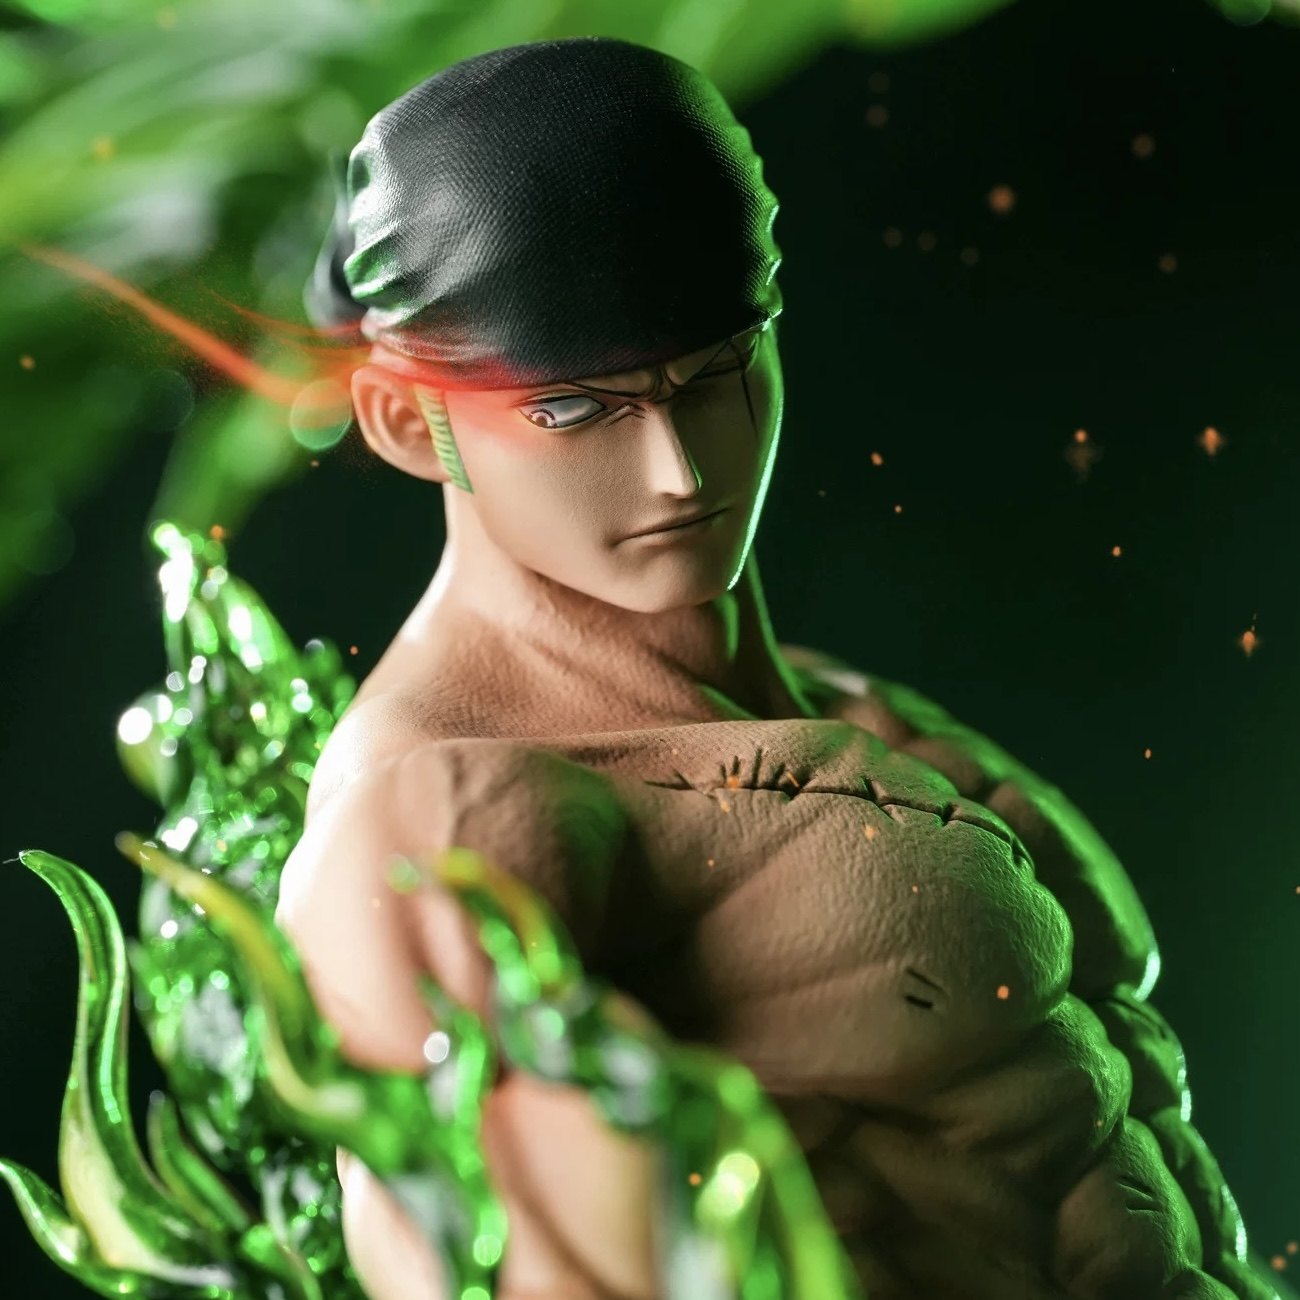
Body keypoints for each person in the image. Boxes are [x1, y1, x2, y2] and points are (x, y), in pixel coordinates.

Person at [274, 35, 1284, 1300]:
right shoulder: (440, 809)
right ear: (405, 421)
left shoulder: (840, 705)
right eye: (574, 410)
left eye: (715, 372)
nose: (681, 472)